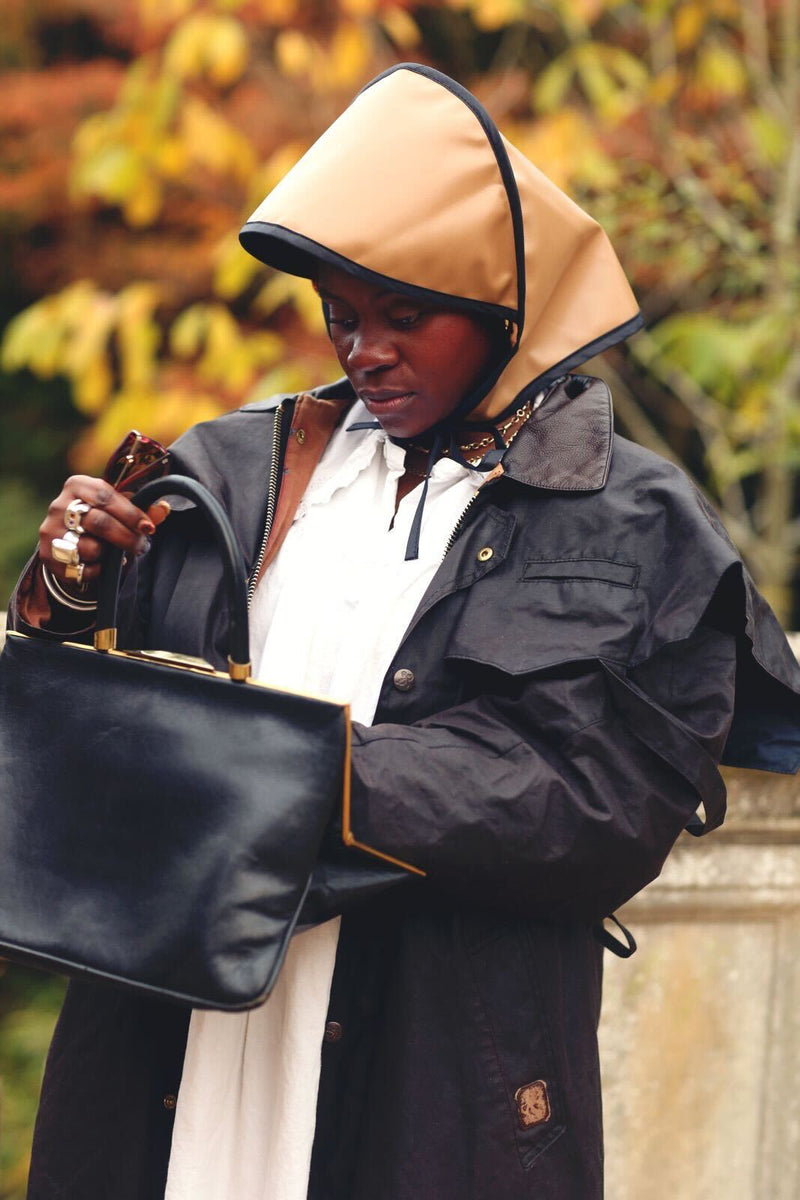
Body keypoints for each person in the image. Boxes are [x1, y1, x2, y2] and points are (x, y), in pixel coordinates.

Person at [9, 63, 800, 1200]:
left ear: (500, 309)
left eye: (402, 315)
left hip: (437, 1062)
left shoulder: (633, 523)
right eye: (339, 313)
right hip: (172, 1042)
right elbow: (121, 717)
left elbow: (602, 807)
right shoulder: (233, 468)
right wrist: (68, 591)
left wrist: (306, 772)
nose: (361, 348)